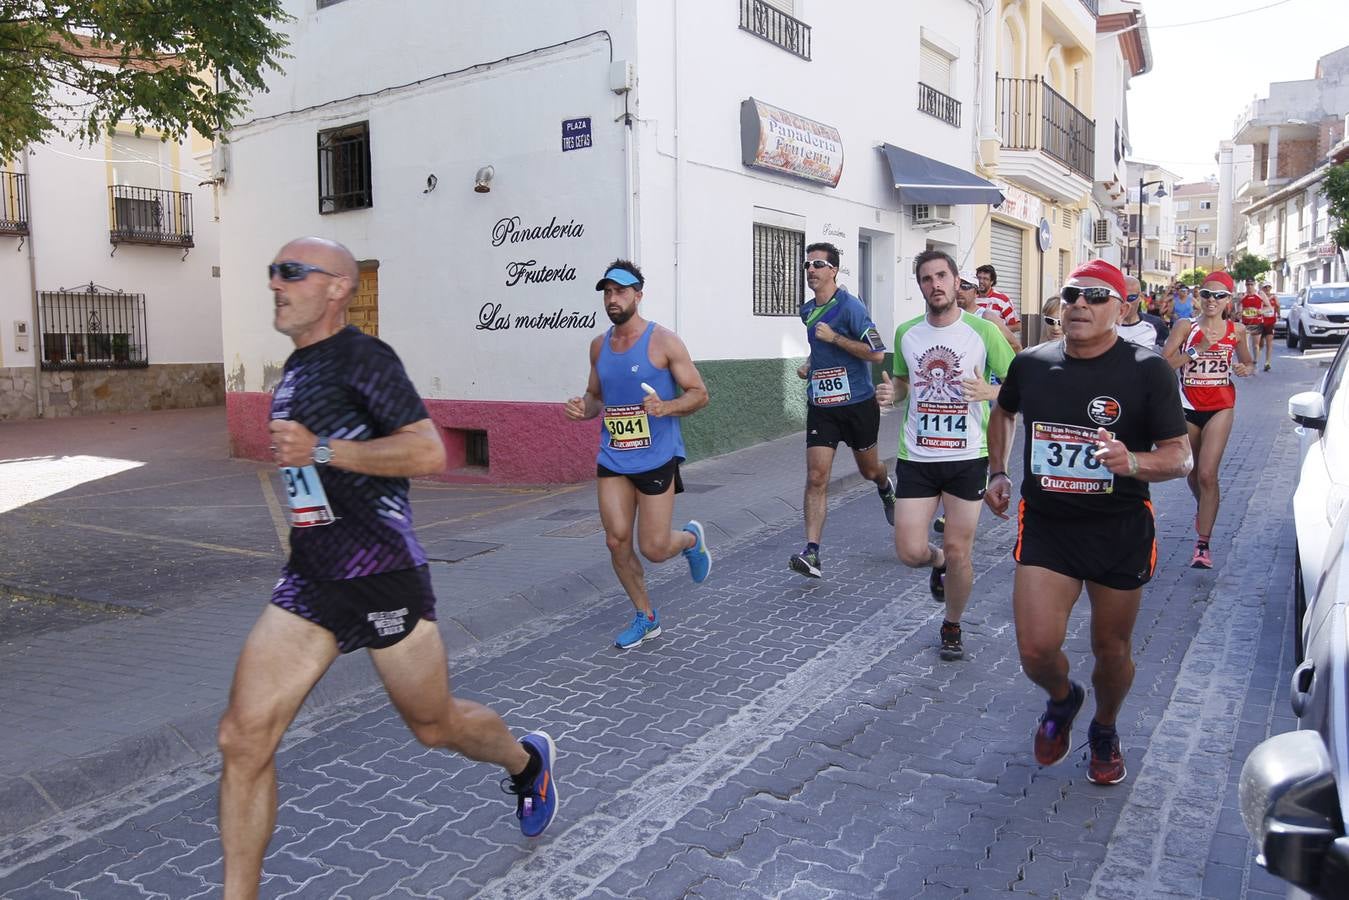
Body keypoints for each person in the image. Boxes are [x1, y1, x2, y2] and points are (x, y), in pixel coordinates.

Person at [218, 238, 558, 899]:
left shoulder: (363, 358)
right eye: (272, 272)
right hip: (311, 579)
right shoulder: (296, 366)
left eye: (291, 272)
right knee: (242, 737)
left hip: (380, 574)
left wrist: (322, 449)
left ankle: (526, 763)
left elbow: (429, 452)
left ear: (337, 287)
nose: (275, 284)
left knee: (434, 726)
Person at [985, 259, 1192, 786]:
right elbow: (1004, 411)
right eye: (1073, 293)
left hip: (1119, 529)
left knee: (1111, 649)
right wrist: (997, 472)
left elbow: (1180, 457)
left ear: (1121, 310)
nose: (1081, 303)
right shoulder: (1031, 363)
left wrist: (1135, 463)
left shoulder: (1148, 371)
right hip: (1048, 524)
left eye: (1096, 296)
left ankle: (1104, 726)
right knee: (1035, 649)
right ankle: (1063, 698)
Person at [875, 250, 1015, 661]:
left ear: (956, 282)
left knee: (960, 551)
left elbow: (1019, 386)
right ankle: (937, 564)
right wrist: (891, 393)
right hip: (916, 456)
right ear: (919, 286)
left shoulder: (983, 331)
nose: (934, 284)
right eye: (926, 278)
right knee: (909, 551)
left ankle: (952, 623)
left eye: (941, 276)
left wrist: (991, 392)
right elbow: (902, 382)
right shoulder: (906, 333)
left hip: (967, 457)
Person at [566, 260, 712, 648]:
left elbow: (699, 394)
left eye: (621, 291)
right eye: (607, 292)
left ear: (638, 295)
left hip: (656, 456)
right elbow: (596, 396)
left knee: (654, 548)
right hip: (613, 455)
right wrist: (584, 409)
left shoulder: (663, 341)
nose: (612, 299)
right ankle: (646, 616)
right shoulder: (598, 345)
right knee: (616, 541)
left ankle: (690, 541)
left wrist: (666, 407)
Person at [789, 241, 894, 579]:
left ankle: (884, 485)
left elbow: (877, 353)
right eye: (808, 265)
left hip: (858, 405)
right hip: (822, 406)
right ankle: (812, 551)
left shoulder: (852, 308)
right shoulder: (807, 311)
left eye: (818, 264)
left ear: (833, 270)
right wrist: (810, 364)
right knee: (816, 476)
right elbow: (818, 346)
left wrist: (835, 338)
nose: (811, 270)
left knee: (869, 469)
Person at [1159, 270, 1254, 569]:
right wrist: (1196, 351)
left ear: (1229, 299)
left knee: (1207, 474)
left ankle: (1203, 544)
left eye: (1219, 296)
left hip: (1221, 406)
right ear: (1199, 296)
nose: (1212, 301)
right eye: (1207, 295)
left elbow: (1248, 362)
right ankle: (1205, 508)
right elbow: (1164, 365)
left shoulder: (1236, 331)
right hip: (1187, 406)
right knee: (1192, 472)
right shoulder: (1185, 326)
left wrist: (1244, 369)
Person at [957, 275, 1021, 350]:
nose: (959, 291)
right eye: (956, 286)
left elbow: (1015, 346)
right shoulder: (947, 317)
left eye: (965, 286)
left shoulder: (986, 316)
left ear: (976, 293)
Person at [1116, 276, 1170, 351]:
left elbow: (1168, 355)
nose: (1126, 303)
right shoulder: (1105, 325)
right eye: (1121, 298)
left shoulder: (1156, 324)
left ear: (1140, 297)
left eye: (1130, 298)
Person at [975, 263, 1022, 335]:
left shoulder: (1002, 299)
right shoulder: (971, 298)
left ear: (992, 281)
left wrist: (996, 331)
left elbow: (1017, 326)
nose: (981, 281)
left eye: (985, 279)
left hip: (994, 344)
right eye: (979, 278)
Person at [1237, 277, 1264, 361]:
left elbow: (1269, 308)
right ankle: (1248, 362)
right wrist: (1239, 313)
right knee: (1245, 345)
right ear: (1245, 285)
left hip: (1257, 323)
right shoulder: (1242, 296)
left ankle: (1255, 361)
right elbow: (1238, 307)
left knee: (1255, 345)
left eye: (1251, 284)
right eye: (1248, 284)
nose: (1249, 286)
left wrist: (1261, 311)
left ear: (1254, 284)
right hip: (1246, 323)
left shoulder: (1260, 295)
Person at [1258, 282, 1279, 372]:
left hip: (1270, 322)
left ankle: (1267, 362)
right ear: (1262, 288)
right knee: (1260, 343)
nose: (1267, 289)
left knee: (1269, 343)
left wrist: (1278, 314)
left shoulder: (1274, 297)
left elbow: (1278, 306)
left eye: (1268, 287)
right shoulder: (1260, 297)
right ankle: (1256, 359)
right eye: (1265, 287)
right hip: (1261, 322)